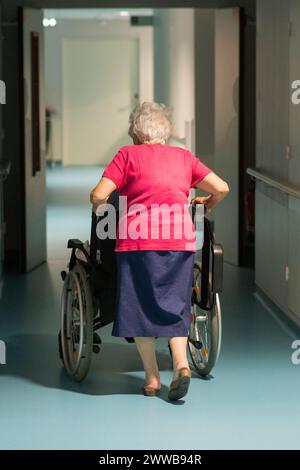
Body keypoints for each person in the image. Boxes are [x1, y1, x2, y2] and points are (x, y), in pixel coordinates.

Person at [90, 102, 229, 401]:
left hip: (137, 243)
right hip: (179, 243)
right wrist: (204, 204)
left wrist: (103, 209)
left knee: (139, 306)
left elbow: (99, 194)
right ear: (164, 133)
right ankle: (181, 365)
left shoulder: (127, 155)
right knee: (176, 304)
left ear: (136, 135)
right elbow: (223, 188)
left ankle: (152, 379)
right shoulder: (183, 157)